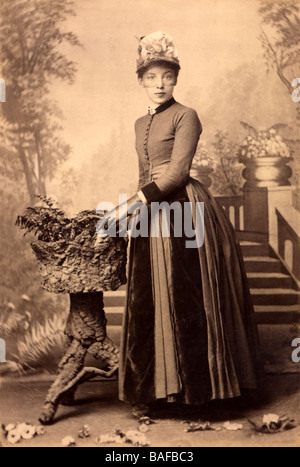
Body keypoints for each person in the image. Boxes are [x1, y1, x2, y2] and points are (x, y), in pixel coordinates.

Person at [98, 31, 262, 418]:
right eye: (151, 76)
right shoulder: (140, 123)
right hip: (151, 211)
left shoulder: (187, 116)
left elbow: (176, 173)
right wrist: (134, 212)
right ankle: (155, 392)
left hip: (184, 209)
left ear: (176, 79)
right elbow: (144, 174)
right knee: (149, 297)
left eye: (167, 76)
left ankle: (202, 394)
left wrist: (129, 206)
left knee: (189, 297)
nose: (159, 84)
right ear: (140, 80)